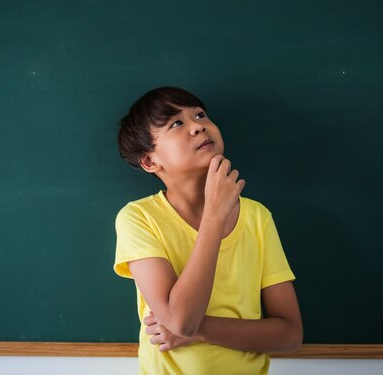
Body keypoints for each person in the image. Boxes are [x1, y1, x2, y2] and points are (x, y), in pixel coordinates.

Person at [114, 86, 302, 374]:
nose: (198, 126)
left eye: (200, 115)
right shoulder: (138, 218)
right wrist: (215, 216)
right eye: (176, 123)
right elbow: (180, 319)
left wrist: (199, 330)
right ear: (150, 160)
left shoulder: (257, 217)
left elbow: (289, 335)